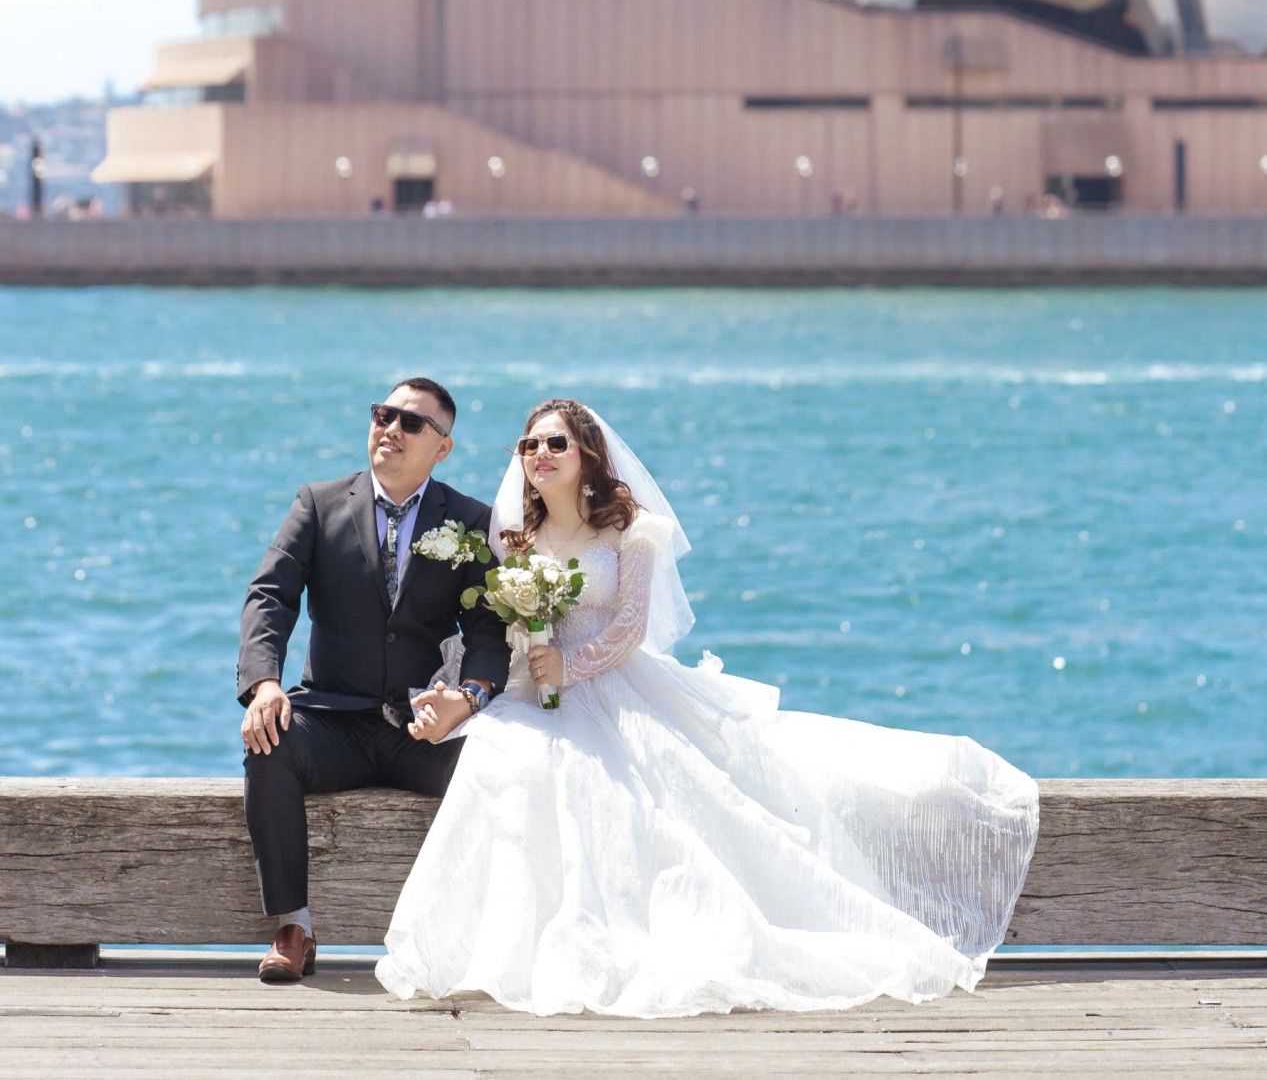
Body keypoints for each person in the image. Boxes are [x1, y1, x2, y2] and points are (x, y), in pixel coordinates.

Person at [375, 399, 1039, 1017]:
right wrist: (508, 668)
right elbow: (498, 626)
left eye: (556, 444)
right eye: (529, 445)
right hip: (535, 685)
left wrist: (571, 667)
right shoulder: (515, 537)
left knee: (649, 791)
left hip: (615, 684)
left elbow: (629, 627)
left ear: (587, 455)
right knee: (505, 753)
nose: (539, 455)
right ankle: (511, 941)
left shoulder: (631, 530)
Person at [238, 375, 508, 982]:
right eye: (384, 414)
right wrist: (264, 685)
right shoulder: (318, 504)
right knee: (267, 743)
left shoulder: (471, 520)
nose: (391, 429)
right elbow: (270, 596)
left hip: (424, 728)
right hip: (332, 720)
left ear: (442, 447)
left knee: (505, 766)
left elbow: (489, 634)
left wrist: (467, 699)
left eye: (411, 422)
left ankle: (480, 939)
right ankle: (294, 927)